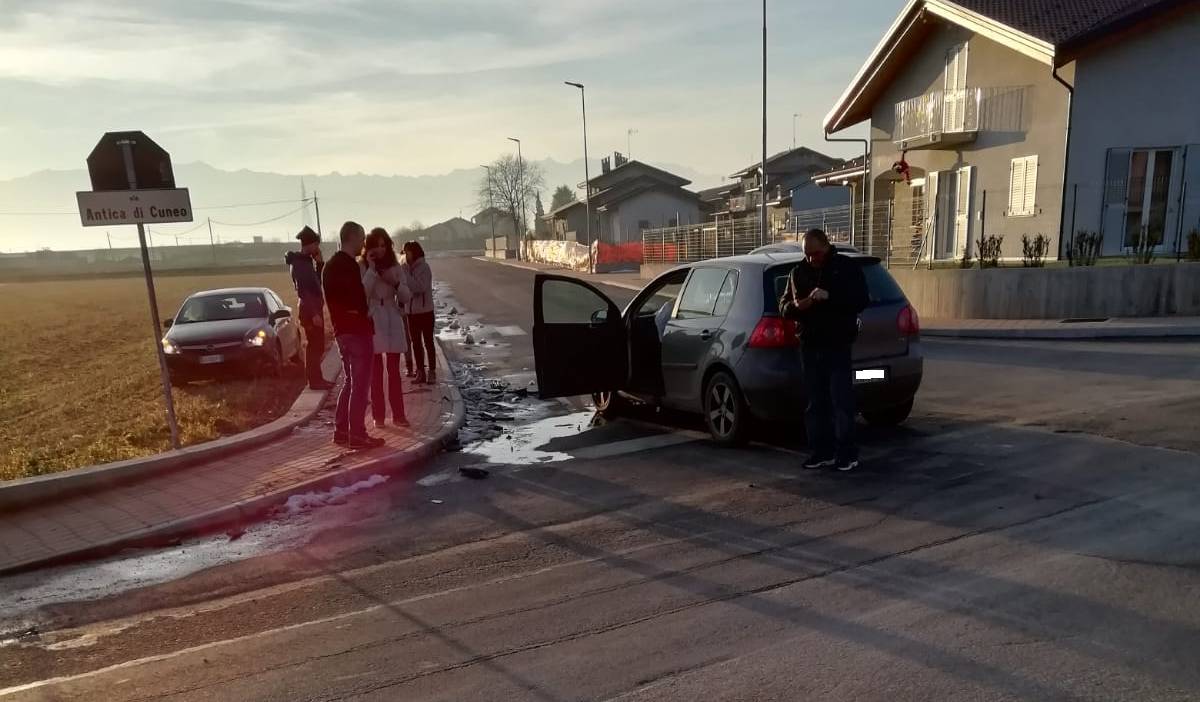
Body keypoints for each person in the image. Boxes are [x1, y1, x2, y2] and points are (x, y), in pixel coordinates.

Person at [781, 229, 869, 472]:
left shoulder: (845, 267)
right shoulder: (798, 272)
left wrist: (830, 296)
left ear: (827, 246)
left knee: (841, 400)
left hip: (838, 344)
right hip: (810, 345)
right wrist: (800, 305)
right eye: (807, 255)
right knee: (816, 402)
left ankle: (846, 453)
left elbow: (861, 299)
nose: (811, 259)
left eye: (815, 253)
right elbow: (785, 307)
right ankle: (821, 451)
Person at [321, 221, 385, 449]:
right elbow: (357, 299)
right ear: (352, 238)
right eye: (361, 239)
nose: (363, 244)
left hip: (341, 331)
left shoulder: (329, 266)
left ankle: (341, 430)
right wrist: (365, 311)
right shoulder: (347, 266)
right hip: (357, 331)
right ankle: (357, 434)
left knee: (349, 382)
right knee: (359, 385)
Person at [361, 228, 412, 428]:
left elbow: (407, 296)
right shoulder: (364, 266)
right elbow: (362, 291)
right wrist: (373, 270)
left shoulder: (396, 267)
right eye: (377, 245)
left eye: (384, 245)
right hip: (374, 316)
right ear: (370, 247)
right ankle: (378, 415)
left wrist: (397, 283)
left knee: (393, 371)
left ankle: (399, 415)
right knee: (376, 372)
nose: (381, 249)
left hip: (392, 315)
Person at [284, 226, 332, 391]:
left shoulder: (305, 262)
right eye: (316, 245)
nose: (318, 248)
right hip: (309, 311)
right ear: (309, 244)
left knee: (317, 345)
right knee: (314, 346)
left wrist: (319, 265)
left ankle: (317, 379)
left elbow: (316, 285)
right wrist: (314, 314)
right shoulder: (300, 264)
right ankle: (315, 381)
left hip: (312, 310)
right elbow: (304, 291)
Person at [403, 240, 437, 385]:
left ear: (414, 252)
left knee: (428, 342)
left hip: (425, 311)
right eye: (404, 252)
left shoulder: (424, 267)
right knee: (416, 343)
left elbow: (419, 287)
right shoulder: (406, 268)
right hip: (411, 313)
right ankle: (420, 372)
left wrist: (406, 276)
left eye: (407, 252)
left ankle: (432, 372)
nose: (405, 255)